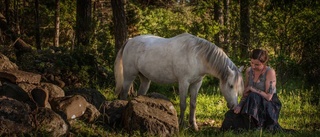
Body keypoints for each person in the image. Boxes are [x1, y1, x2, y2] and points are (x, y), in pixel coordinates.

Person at [221, 49, 283, 132]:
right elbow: (246, 92)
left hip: (269, 105)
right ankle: (248, 126)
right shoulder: (249, 71)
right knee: (231, 116)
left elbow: (269, 97)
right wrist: (240, 105)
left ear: (264, 63)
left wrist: (252, 89)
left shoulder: (270, 72)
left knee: (253, 95)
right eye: (252, 63)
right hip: (251, 102)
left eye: (257, 64)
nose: (253, 66)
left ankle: (258, 126)